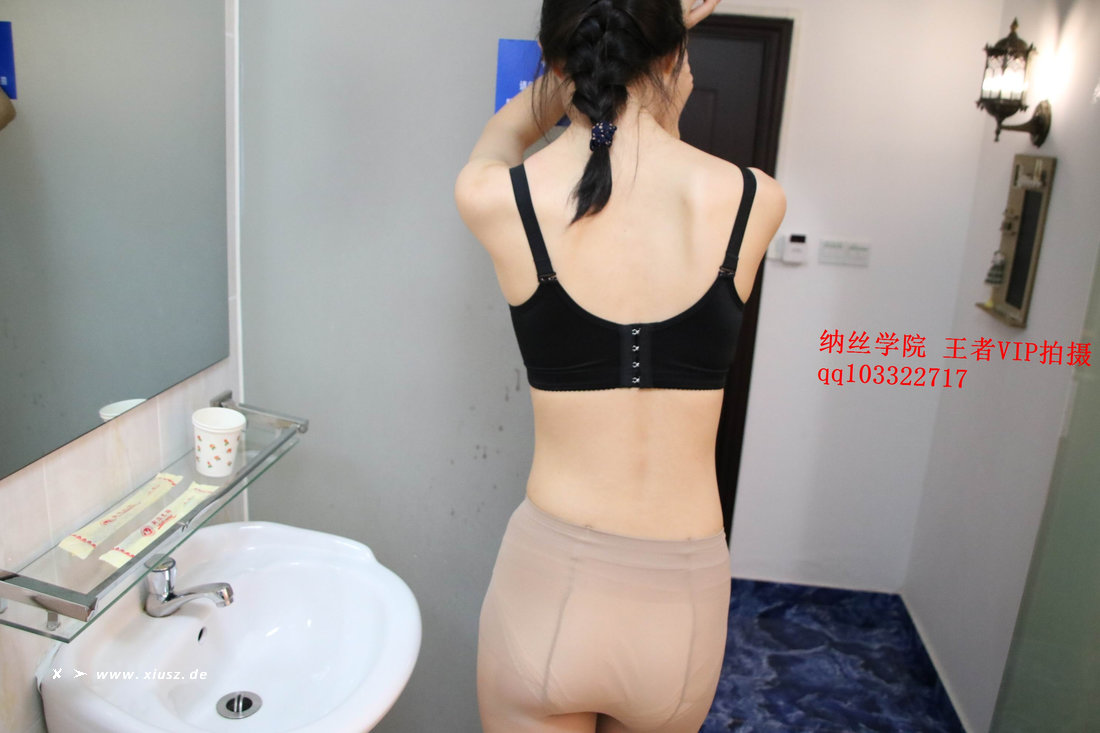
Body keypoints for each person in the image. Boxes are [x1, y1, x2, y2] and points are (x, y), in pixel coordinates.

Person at [455, 0, 785, 730]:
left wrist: (592, 60)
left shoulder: (496, 197)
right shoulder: (753, 200)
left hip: (547, 593)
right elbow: (652, 163)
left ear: (558, 62)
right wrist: (657, 58)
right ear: (672, 57)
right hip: (682, 606)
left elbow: (510, 131)